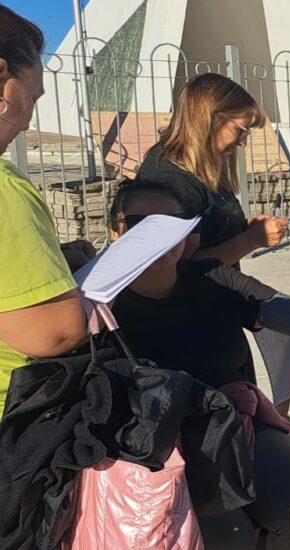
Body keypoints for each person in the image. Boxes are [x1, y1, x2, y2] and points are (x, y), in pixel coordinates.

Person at [106, 181, 290, 550]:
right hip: (147, 441)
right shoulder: (96, 302)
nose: (160, 234)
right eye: (143, 221)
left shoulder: (209, 277)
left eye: (173, 223)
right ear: (115, 230)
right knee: (225, 529)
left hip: (228, 421)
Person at [0, 4, 92, 417]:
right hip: (15, 425)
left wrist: (55, 262)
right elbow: (53, 332)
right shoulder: (4, 189)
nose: (27, 120)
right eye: (32, 95)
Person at [138, 73, 288, 267]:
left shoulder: (199, 167)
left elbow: (211, 228)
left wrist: (246, 228)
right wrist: (252, 239)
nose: (243, 143)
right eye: (240, 131)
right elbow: (184, 268)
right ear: (210, 120)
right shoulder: (172, 180)